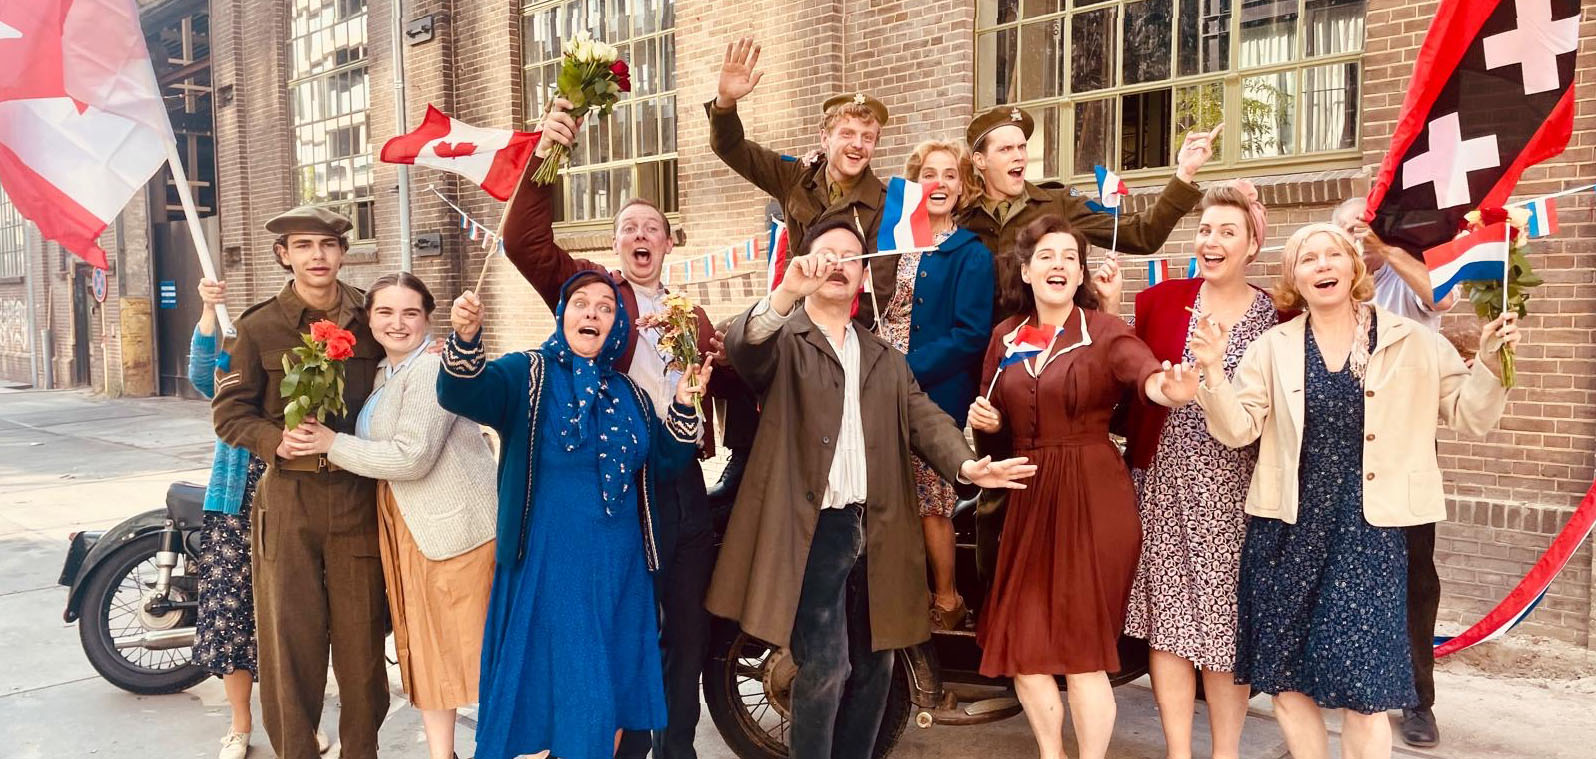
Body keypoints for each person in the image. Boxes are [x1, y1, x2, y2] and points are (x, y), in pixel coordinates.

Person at [707, 218, 1035, 759]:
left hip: (880, 528)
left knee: (877, 667)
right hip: (814, 531)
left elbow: (924, 418)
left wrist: (968, 466)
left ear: (863, 275)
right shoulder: (784, 338)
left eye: (851, 256)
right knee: (826, 664)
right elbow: (744, 345)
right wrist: (787, 291)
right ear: (808, 264)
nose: (838, 263)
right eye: (826, 254)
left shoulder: (883, 355)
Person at [1190, 223, 1518, 759]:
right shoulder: (1273, 346)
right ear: (1294, 278)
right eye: (1308, 258)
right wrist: (1211, 374)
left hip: (1370, 535)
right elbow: (1236, 429)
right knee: (1287, 679)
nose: (1322, 265)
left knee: (1364, 694)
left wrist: (1488, 361)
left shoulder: (1411, 339)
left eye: (1332, 255)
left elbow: (1470, 415)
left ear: (1353, 267)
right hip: (1287, 530)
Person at [505, 97, 722, 759]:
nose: (639, 235)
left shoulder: (694, 313)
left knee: (688, 631)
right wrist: (548, 155)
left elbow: (738, 372)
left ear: (668, 242)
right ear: (615, 243)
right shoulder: (593, 293)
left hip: (682, 482)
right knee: (624, 628)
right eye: (628, 226)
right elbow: (523, 241)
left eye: (651, 227)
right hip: (620, 487)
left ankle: (676, 748)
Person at [438, 271, 710, 759]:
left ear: (617, 324)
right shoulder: (527, 374)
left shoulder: (630, 393)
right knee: (575, 691)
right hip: (552, 566)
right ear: (563, 315)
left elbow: (662, 463)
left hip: (621, 569)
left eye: (605, 307)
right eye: (581, 303)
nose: (592, 313)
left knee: (608, 697)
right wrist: (465, 338)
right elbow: (463, 394)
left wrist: (685, 404)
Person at [969, 215, 1199, 759]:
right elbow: (993, 427)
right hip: (1027, 496)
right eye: (1046, 256)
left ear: (1080, 274)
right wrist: (990, 425)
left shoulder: (1104, 331)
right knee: (1023, 648)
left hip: (1094, 499)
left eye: (1069, 257)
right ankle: (1052, 753)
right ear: (1025, 270)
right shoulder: (1005, 338)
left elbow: (1145, 377)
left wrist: (1169, 386)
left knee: (1081, 653)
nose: (1058, 265)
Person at [280, 272, 497, 759]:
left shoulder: (432, 370)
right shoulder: (384, 372)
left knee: (477, 654)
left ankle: (518, 747)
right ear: (369, 319)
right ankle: (443, 754)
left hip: (456, 531)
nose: (397, 323)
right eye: (385, 312)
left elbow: (411, 457)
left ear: (427, 318)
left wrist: (332, 444)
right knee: (426, 649)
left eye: (410, 313)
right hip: (409, 526)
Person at [211, 207, 387, 759]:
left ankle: (362, 750)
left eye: (329, 245)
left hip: (358, 496)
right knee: (291, 647)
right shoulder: (259, 326)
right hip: (288, 500)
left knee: (361, 648)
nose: (318, 256)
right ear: (284, 255)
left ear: (343, 252)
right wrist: (273, 442)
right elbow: (229, 414)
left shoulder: (371, 317)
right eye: (304, 245)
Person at [1116, 182, 1281, 759]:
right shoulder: (1160, 300)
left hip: (1237, 485)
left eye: (1227, 231)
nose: (1212, 241)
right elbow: (1126, 378)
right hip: (1162, 477)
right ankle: (1179, 751)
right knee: (1171, 621)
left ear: (1252, 244)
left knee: (1222, 624)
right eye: (1206, 229)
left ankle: (1226, 751)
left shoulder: (1274, 314)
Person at [190, 277, 334, 759]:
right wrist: (209, 314)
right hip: (238, 499)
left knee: (293, 617)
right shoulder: (240, 342)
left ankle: (298, 724)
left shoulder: (311, 361)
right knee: (233, 613)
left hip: (294, 495)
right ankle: (240, 723)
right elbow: (201, 374)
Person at [1334, 196, 1455, 749]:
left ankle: (1416, 700)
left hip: (1402, 448)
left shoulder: (1403, 280)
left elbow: (1441, 294)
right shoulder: (1326, 287)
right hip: (1336, 452)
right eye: (1344, 230)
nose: (1353, 240)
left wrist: (1383, 249)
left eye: (1363, 228)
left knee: (1413, 578)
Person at [876, 139, 994, 629]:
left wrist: (905, 369)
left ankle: (947, 600)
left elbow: (971, 336)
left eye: (950, 175)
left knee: (931, 505)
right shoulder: (897, 242)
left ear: (963, 186)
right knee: (889, 502)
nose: (939, 183)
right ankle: (900, 599)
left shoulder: (971, 254)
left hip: (932, 393)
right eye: (929, 174)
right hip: (879, 387)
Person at [958, 106, 1219, 323]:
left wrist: (1184, 172)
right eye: (1006, 150)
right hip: (982, 366)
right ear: (980, 161)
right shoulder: (963, 221)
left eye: (1022, 148)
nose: (1019, 157)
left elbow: (1143, 234)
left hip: (1049, 358)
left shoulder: (1057, 203)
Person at [709, 36, 898, 320]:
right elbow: (731, 148)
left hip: (841, 322)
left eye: (867, 138)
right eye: (847, 134)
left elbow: (876, 292)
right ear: (825, 138)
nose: (858, 145)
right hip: (788, 309)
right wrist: (725, 102)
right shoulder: (795, 176)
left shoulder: (884, 206)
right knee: (724, 340)